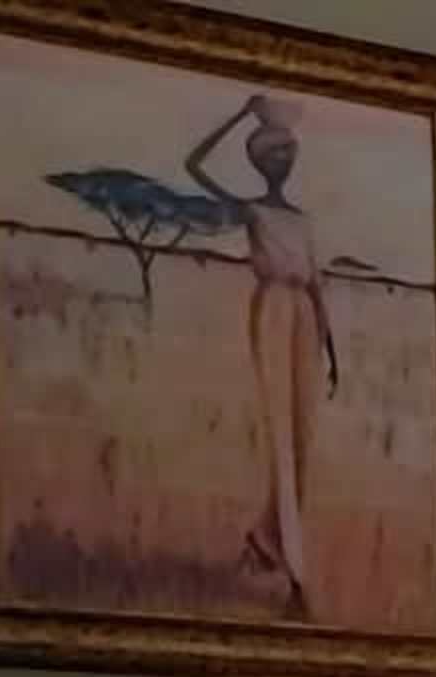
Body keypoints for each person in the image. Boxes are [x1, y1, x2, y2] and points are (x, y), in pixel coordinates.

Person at [185, 94, 338, 617]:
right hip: (272, 307)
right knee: (279, 432)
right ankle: (296, 575)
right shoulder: (253, 211)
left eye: (287, 153)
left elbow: (316, 281)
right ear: (258, 159)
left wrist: (330, 344)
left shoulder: (302, 218)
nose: (282, 162)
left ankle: (267, 541)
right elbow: (194, 166)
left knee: (302, 438)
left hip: (303, 316)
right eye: (272, 154)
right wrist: (237, 115)